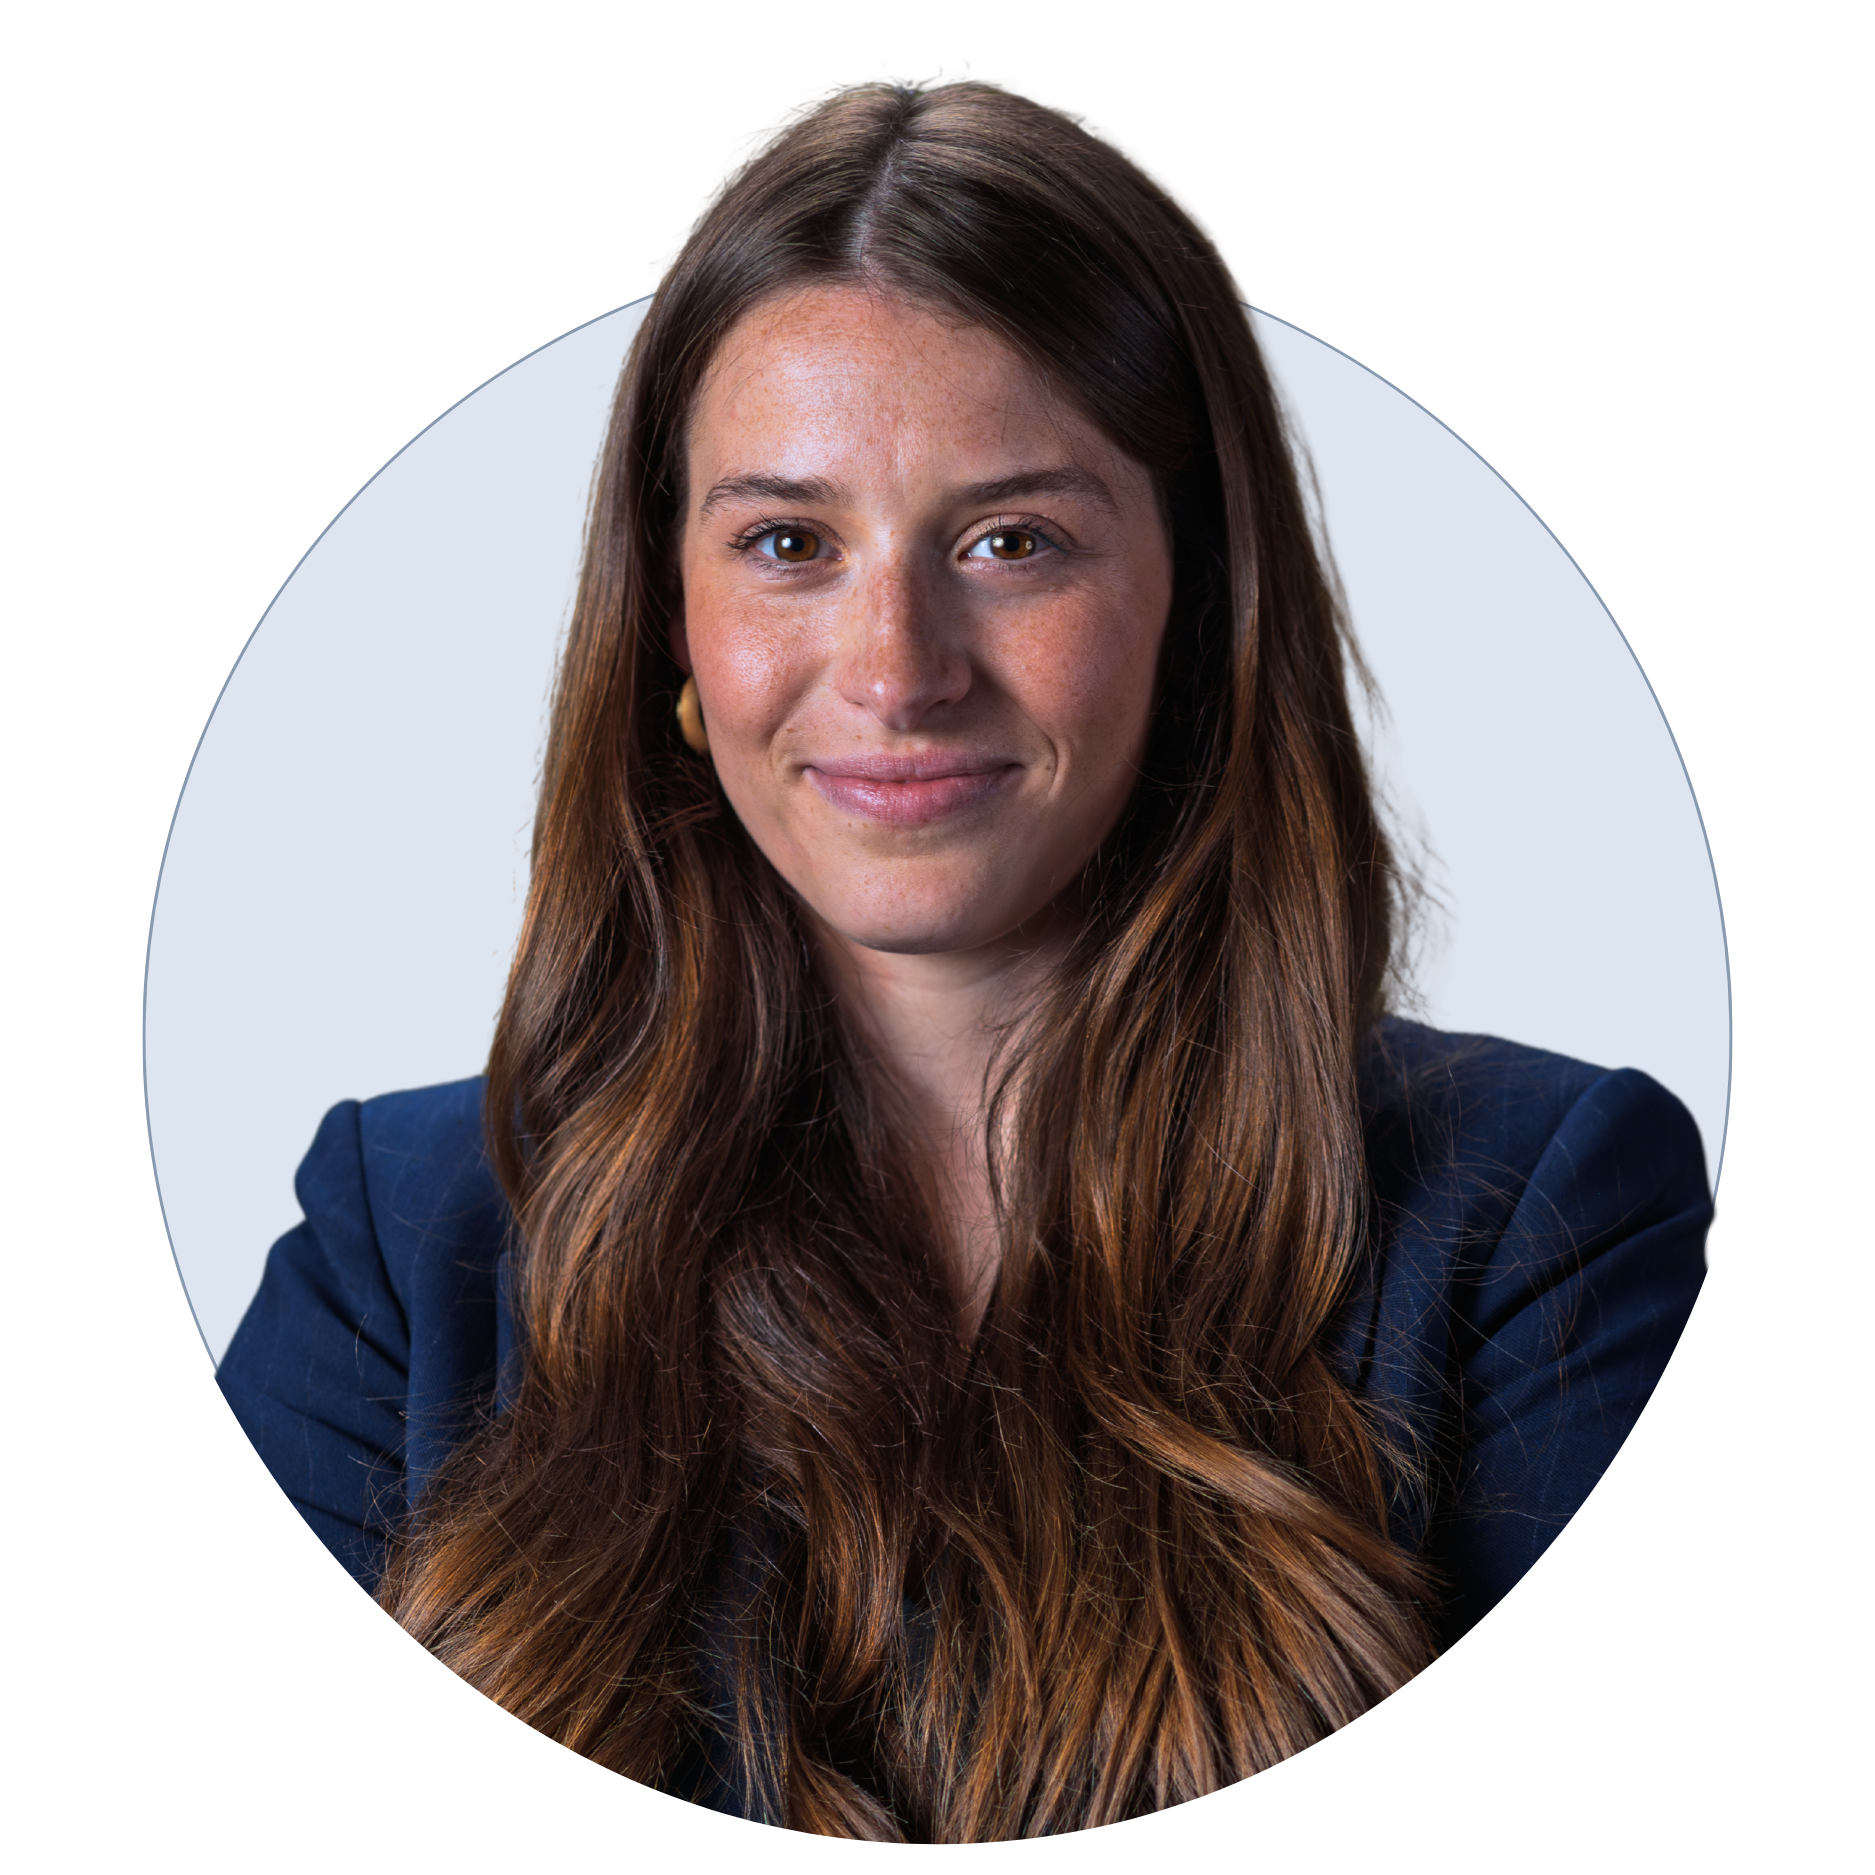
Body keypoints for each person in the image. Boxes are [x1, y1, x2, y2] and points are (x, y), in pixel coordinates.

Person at [216, 72, 1711, 1854]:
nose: (896, 664)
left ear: (1199, 601)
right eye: (787, 543)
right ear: (667, 619)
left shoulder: (1541, 1226)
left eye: (1012, 541)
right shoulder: (397, 1259)